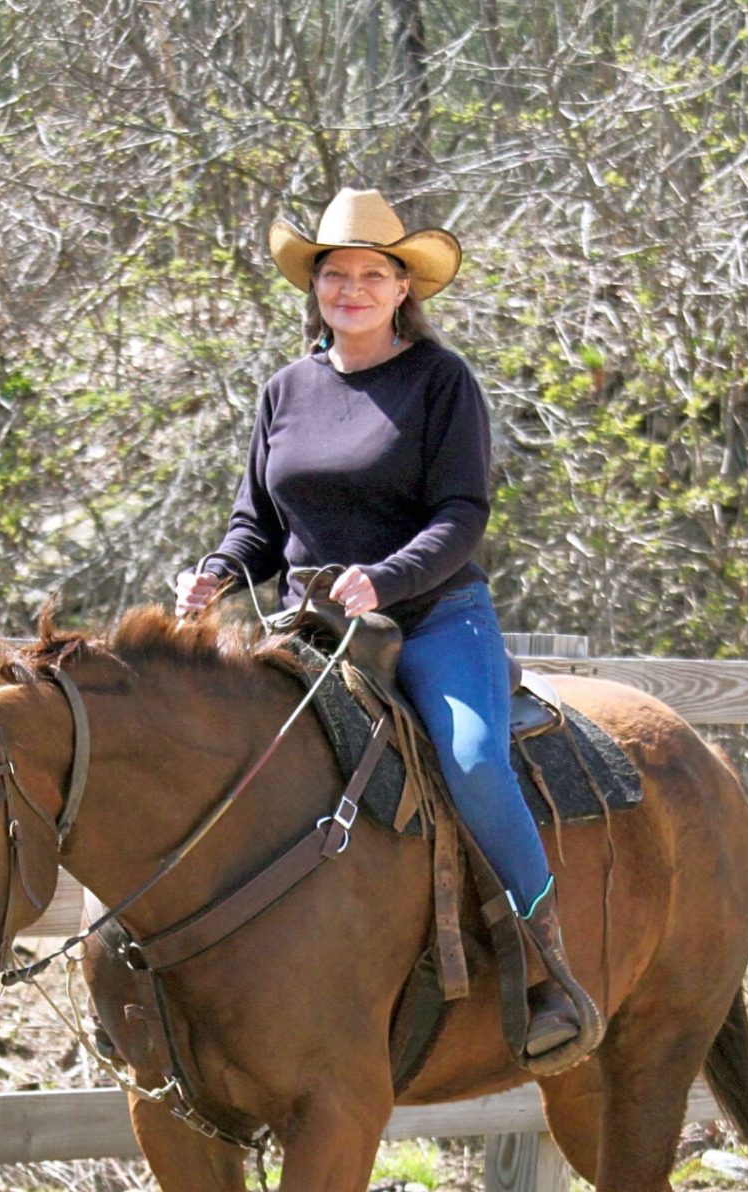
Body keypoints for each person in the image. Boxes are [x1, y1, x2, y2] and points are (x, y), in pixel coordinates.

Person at [173, 187, 601, 1074]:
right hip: (309, 630)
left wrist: (386, 579)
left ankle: (544, 963)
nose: (354, 289)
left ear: (406, 289)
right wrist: (218, 573)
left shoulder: (440, 383)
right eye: (337, 274)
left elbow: (461, 515)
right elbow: (258, 521)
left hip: (435, 619)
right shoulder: (284, 391)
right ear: (316, 286)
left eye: (374, 274)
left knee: (475, 759)